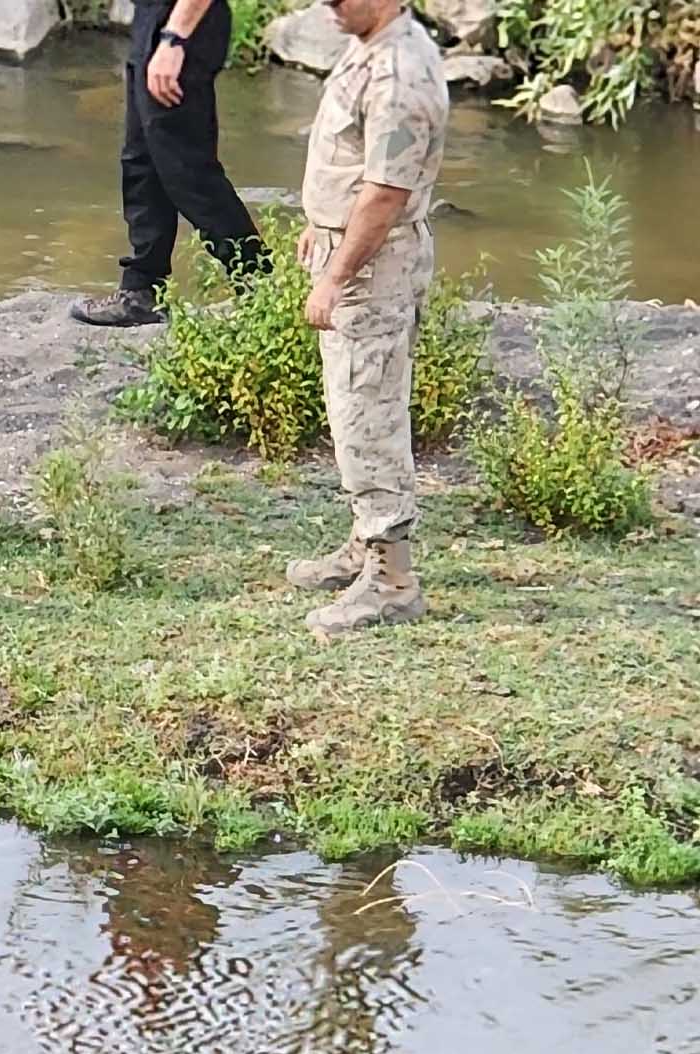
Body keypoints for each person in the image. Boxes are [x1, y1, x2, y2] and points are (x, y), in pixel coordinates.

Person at [284, 0, 448, 639]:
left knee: (368, 410)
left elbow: (384, 196)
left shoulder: (400, 72)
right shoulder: (371, 41)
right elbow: (351, 161)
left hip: (373, 268)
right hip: (357, 250)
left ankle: (391, 581)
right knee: (355, 403)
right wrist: (318, 222)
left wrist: (334, 275)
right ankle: (363, 547)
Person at [69, 0, 269, 328]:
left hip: (181, 25)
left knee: (187, 171)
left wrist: (174, 39)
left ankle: (260, 285)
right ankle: (141, 291)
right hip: (153, 20)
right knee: (141, 161)